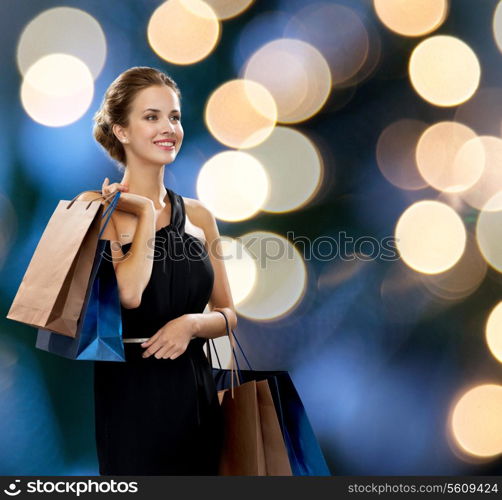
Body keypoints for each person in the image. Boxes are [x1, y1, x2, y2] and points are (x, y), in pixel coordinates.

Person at [76, 66, 237, 475]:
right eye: (152, 117)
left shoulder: (200, 216)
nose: (169, 128)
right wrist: (146, 214)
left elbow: (228, 313)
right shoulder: (98, 211)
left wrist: (191, 326)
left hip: (197, 391)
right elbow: (129, 294)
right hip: (131, 394)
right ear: (122, 131)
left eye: (175, 117)